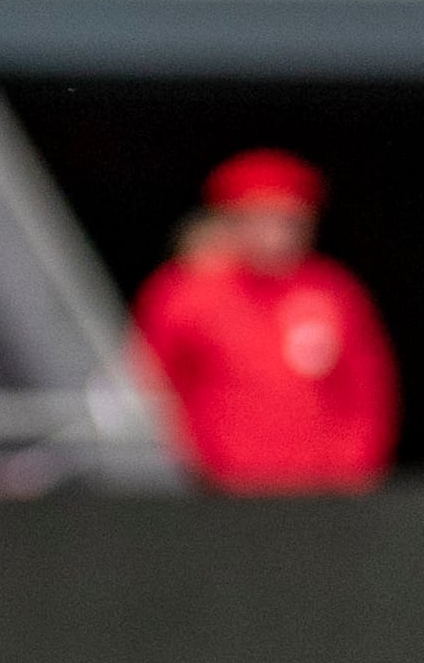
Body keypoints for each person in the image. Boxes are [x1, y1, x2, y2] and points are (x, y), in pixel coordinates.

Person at [134, 149, 396, 494]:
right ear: (230, 222)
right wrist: (193, 467)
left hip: (323, 491)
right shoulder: (186, 290)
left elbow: (368, 387)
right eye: (259, 219)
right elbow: (148, 386)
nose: (274, 235)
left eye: (288, 221)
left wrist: (355, 467)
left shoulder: (333, 290)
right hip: (219, 492)